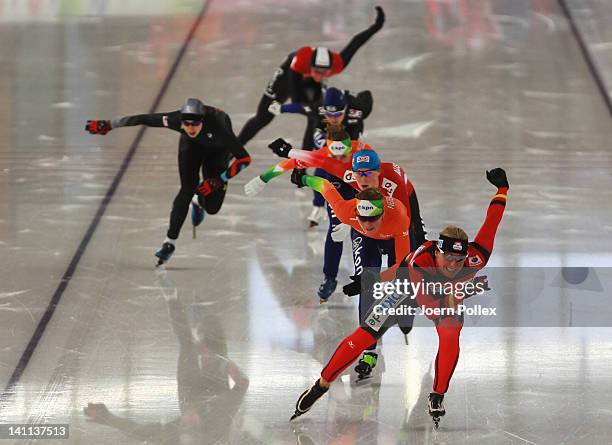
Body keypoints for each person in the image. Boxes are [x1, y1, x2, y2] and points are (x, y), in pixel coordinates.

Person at [289, 168, 509, 425]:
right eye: (448, 258)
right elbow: (401, 274)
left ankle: (437, 395)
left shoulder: (476, 258)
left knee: (450, 334)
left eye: (459, 260)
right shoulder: (420, 261)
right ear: (437, 253)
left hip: (441, 295)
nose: (453, 265)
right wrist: (369, 280)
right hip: (409, 287)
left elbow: (492, 220)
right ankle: (322, 384)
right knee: (365, 334)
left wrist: (502, 190)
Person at [85, 98, 251, 265]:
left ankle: (199, 202)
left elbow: (244, 159)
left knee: (213, 207)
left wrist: (218, 181)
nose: (191, 128)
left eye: (194, 124)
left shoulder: (218, 126)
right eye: (187, 124)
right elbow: (142, 119)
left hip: (217, 151)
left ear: (202, 121)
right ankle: (169, 243)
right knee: (187, 189)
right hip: (192, 147)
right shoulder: (176, 120)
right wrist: (109, 125)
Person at [244, 127, 371, 302]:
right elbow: (291, 163)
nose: (340, 160)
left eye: (344, 156)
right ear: (329, 151)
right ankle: (330, 278)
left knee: (368, 229)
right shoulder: (323, 155)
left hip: (360, 189)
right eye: (335, 156)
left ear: (351, 148)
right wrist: (263, 178)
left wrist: (354, 219)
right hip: (338, 189)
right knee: (336, 233)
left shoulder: (364, 152)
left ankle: (371, 274)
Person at [237, 6, 385, 151]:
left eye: (324, 72)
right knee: (264, 117)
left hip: (309, 80)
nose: (320, 76)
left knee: (315, 117)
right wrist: (288, 108)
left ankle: (304, 165)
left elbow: (355, 43)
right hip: (289, 75)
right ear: (310, 67)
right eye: (317, 71)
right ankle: (234, 150)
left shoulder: (337, 64)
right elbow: (297, 102)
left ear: (330, 69)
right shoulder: (299, 66)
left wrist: (376, 26)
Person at [270, 86, 374, 227]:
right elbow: (301, 108)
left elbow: (367, 94)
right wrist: (281, 108)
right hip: (325, 131)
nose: (333, 119)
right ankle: (318, 206)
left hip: (351, 129)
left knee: (348, 166)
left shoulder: (359, 109)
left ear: (345, 109)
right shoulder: (318, 109)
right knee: (323, 163)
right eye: (329, 115)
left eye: (338, 114)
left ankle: (355, 203)